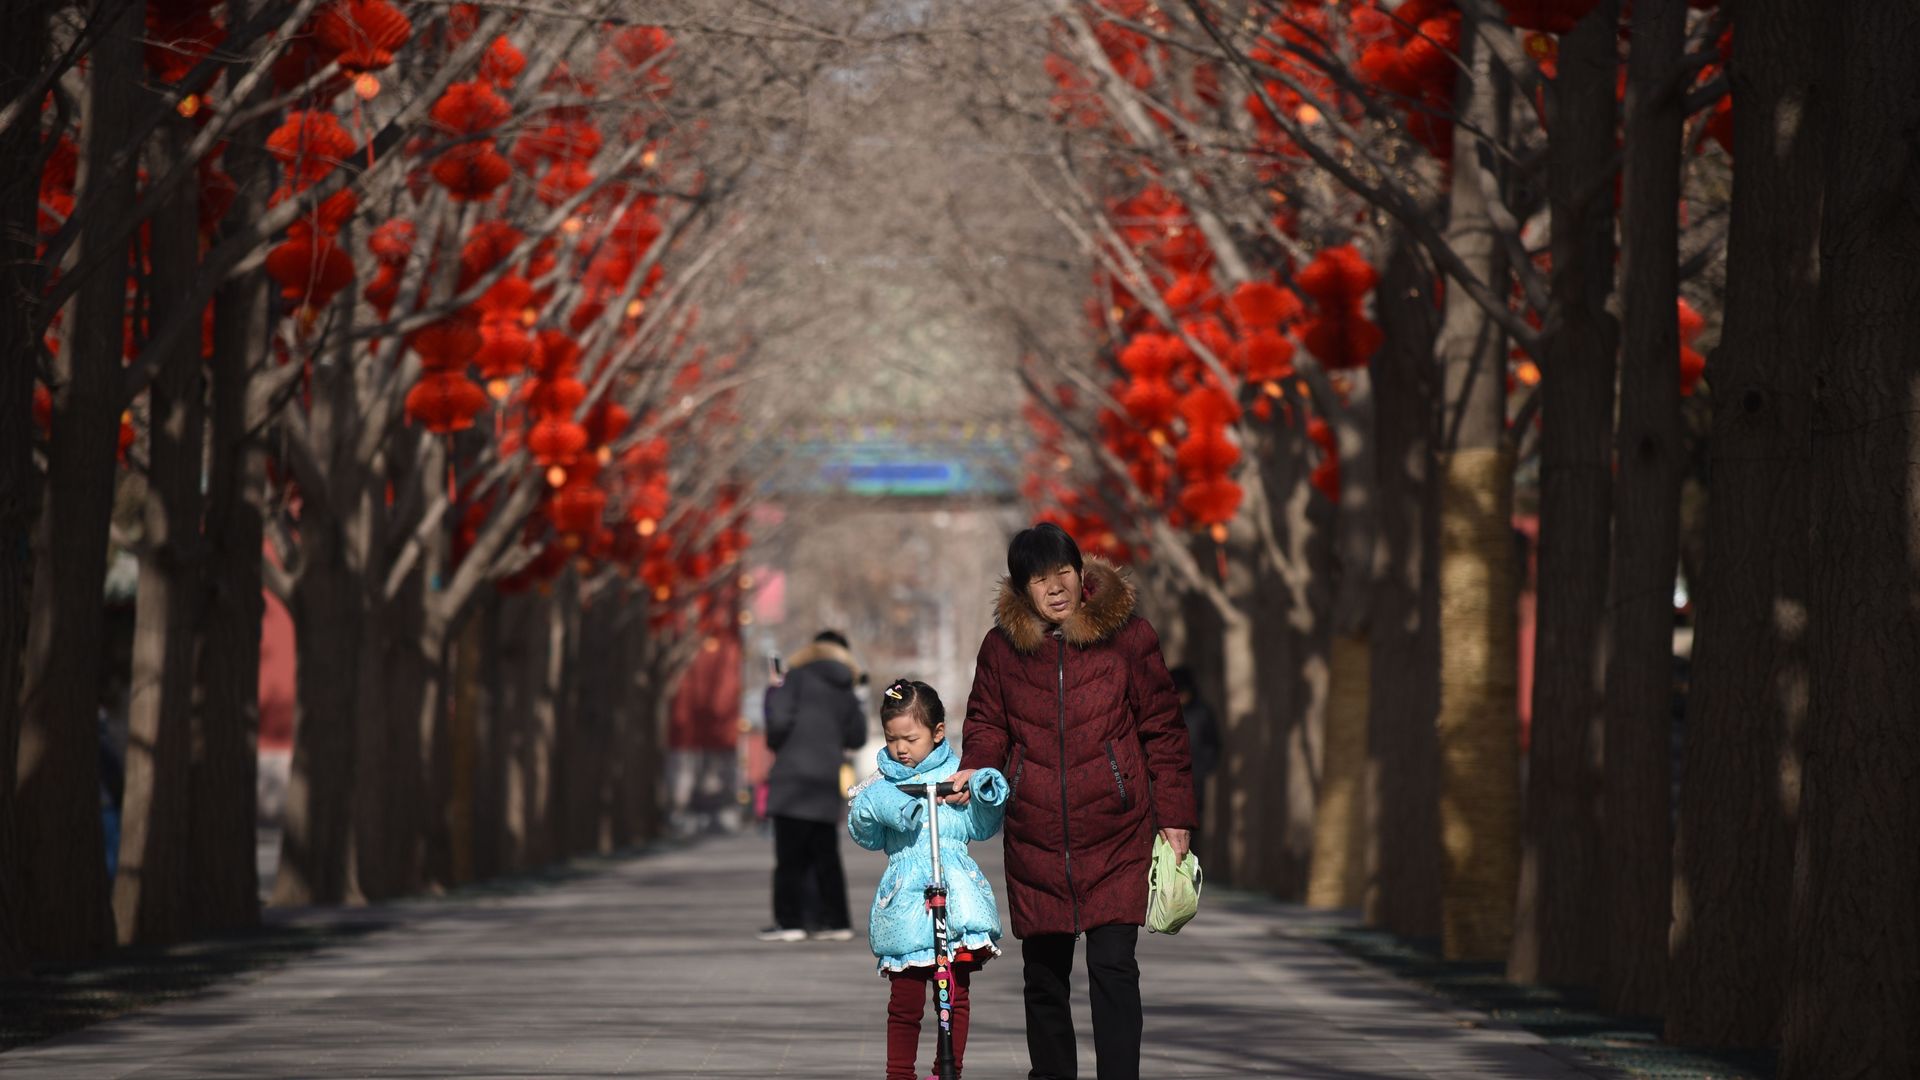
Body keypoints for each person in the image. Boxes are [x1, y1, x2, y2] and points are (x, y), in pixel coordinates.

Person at [947, 523, 1196, 1080]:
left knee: (1113, 967)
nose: (1055, 587)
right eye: (1039, 579)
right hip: (1036, 834)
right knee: (1044, 976)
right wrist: (977, 767)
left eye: (1063, 572)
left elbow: (1164, 729)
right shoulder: (1002, 649)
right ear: (1021, 589)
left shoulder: (1129, 637)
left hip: (1118, 833)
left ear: (1082, 575)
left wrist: (1175, 817)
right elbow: (987, 723)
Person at [848, 679, 1008, 1080]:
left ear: (937, 734)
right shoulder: (882, 782)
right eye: (892, 738)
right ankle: (899, 1073)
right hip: (906, 905)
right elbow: (865, 833)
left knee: (955, 997)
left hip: (954, 903)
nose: (900, 748)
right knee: (904, 1001)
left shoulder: (957, 775)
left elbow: (981, 826)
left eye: (911, 738)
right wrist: (882, 805)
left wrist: (984, 790)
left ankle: (946, 1070)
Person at [760, 629, 867, 942]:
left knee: (790, 857)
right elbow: (857, 737)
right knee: (826, 856)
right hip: (824, 778)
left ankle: (790, 921)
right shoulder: (846, 687)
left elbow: (777, 721)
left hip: (792, 779)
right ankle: (836, 921)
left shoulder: (794, 679)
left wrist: (776, 734)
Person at [1168, 665, 1220, 841]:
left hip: (1194, 783)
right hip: (1165, 781)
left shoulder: (1202, 713)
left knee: (1193, 834)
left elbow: (1213, 744)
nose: (1182, 696)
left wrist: (1201, 768)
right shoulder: (1165, 713)